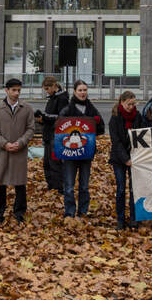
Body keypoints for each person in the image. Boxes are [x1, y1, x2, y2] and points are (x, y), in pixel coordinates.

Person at [0, 78, 36, 224]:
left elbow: (31, 128)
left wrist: (21, 142)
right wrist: (4, 144)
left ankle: (19, 212)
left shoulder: (26, 108)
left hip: (19, 151)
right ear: (6, 90)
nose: (16, 93)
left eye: (18, 90)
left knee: (20, 183)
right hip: (2, 151)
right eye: (13, 90)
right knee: (0, 183)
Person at [58, 80, 105, 218]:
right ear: (74, 91)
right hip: (69, 154)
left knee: (84, 186)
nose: (83, 93)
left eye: (85, 90)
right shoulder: (67, 110)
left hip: (86, 153)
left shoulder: (92, 108)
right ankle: (69, 212)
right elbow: (59, 130)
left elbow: (101, 129)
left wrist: (96, 123)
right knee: (69, 186)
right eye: (80, 90)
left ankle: (83, 211)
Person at [108, 91, 138, 230]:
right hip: (119, 159)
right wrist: (125, 159)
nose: (131, 107)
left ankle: (134, 218)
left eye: (133, 104)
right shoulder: (115, 118)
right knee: (121, 189)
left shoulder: (138, 116)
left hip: (135, 157)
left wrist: (133, 156)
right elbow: (116, 141)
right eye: (128, 104)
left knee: (134, 189)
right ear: (122, 102)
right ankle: (120, 219)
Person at [34, 76, 69, 193]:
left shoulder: (62, 99)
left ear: (54, 86)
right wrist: (43, 119)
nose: (47, 91)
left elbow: (60, 117)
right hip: (49, 134)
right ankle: (52, 186)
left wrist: (44, 117)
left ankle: (58, 188)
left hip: (56, 135)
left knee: (55, 164)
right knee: (47, 163)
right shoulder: (53, 98)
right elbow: (51, 116)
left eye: (47, 88)